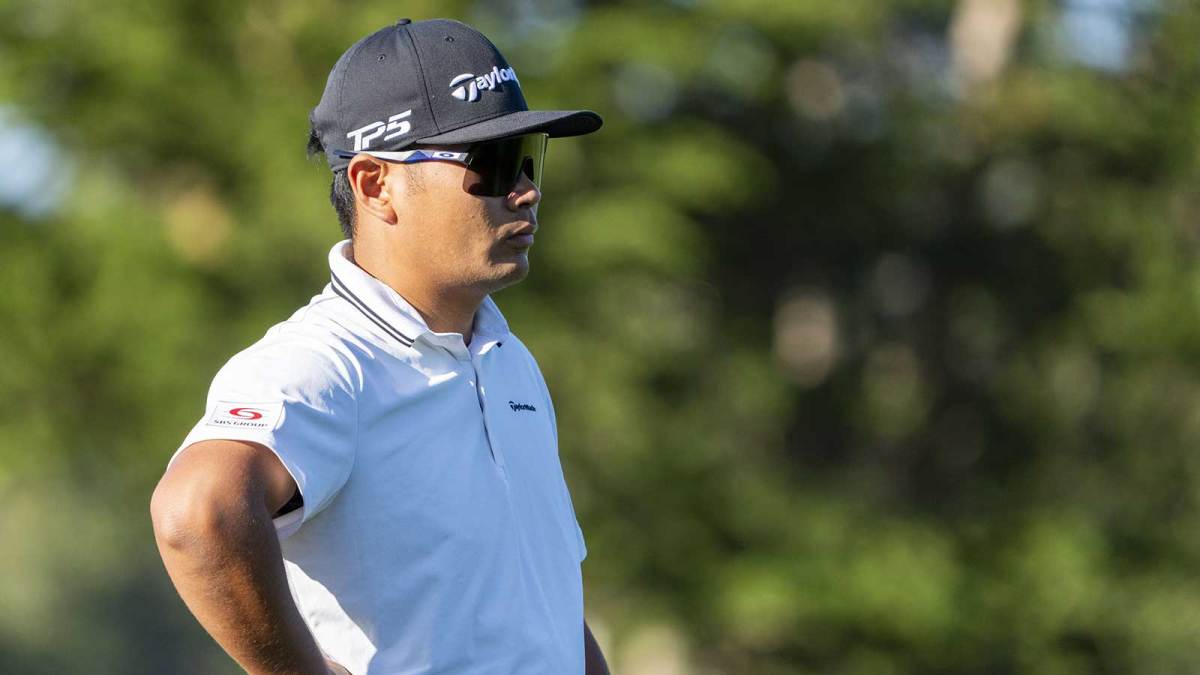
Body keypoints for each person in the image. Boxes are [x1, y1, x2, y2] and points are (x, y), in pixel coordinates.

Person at [150, 18, 609, 675]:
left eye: (530, 156)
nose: (526, 190)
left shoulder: (511, 361)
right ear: (374, 185)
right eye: (493, 164)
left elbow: (546, 598)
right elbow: (197, 513)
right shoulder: (326, 361)